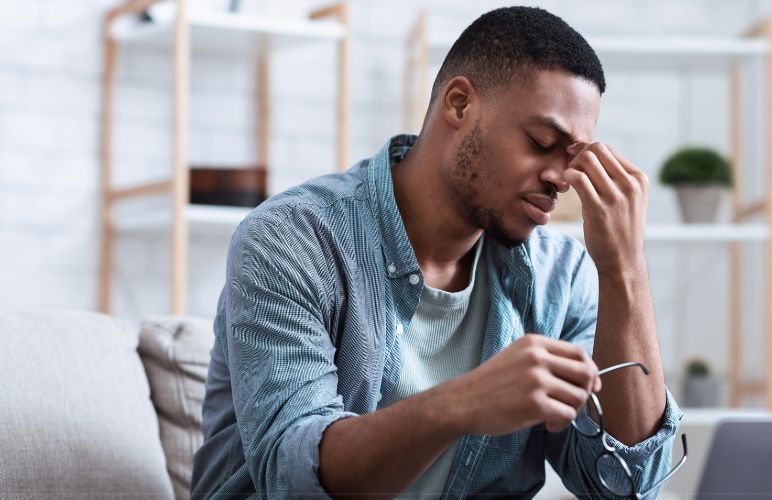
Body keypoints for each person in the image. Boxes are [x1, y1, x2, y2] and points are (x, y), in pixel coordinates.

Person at [191, 6, 683, 499]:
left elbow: (628, 488)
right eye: (540, 142)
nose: (560, 179)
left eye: (573, 158)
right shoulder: (293, 239)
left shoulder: (561, 275)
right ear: (459, 104)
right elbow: (293, 479)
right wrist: (462, 403)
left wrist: (625, 269)